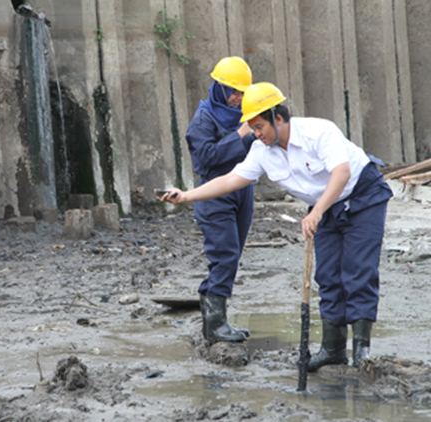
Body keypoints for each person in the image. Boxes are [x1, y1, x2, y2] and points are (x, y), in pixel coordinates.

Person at [162, 82, 393, 370]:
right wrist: (185, 195)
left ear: (278, 117)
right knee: (328, 275)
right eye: (252, 128)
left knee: (358, 270)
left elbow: (342, 173)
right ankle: (333, 349)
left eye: (260, 127)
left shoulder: (318, 131)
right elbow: (231, 179)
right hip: (325, 207)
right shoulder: (262, 151)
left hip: (363, 195)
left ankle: (362, 352)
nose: (256, 134)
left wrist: (317, 211)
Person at [183, 57, 257, 344]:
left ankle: (215, 316)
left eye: (242, 92)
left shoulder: (244, 114)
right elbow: (206, 158)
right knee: (223, 254)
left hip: (243, 189)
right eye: (233, 91)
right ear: (219, 88)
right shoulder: (203, 120)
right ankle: (214, 325)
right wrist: (239, 136)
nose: (237, 98)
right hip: (214, 194)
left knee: (233, 254)